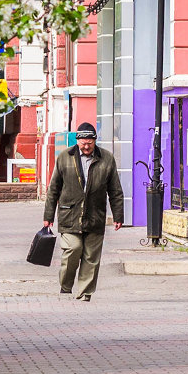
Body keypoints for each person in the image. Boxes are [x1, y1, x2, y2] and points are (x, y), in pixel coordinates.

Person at [42, 123, 124, 303]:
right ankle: (66, 284)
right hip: (69, 214)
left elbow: (115, 190)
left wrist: (118, 215)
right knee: (73, 248)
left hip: (95, 215)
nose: (86, 147)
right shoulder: (65, 157)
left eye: (90, 143)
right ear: (77, 141)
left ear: (95, 141)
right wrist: (48, 217)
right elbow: (53, 189)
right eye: (83, 143)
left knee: (91, 257)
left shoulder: (106, 159)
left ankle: (85, 293)